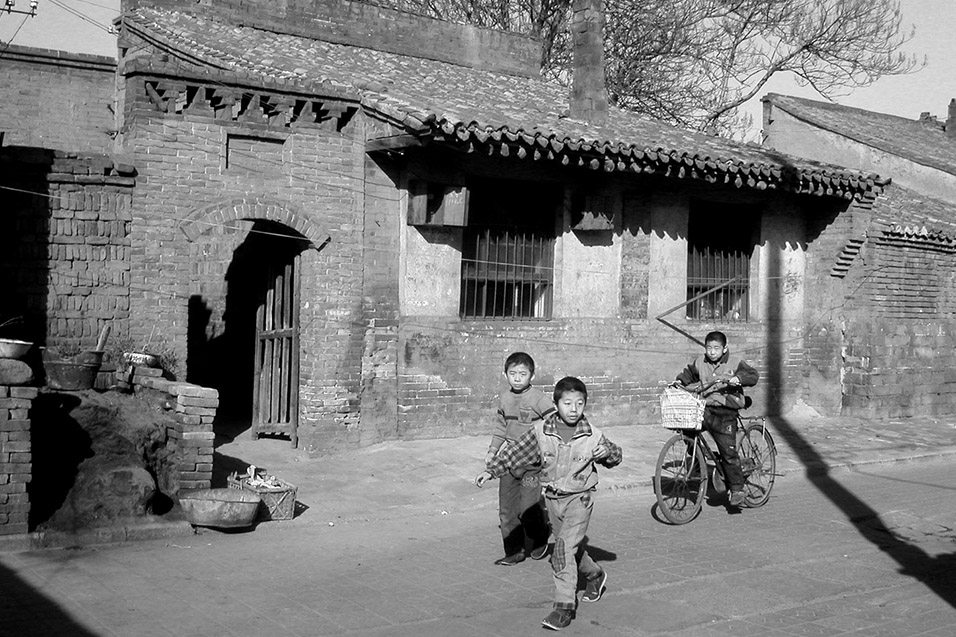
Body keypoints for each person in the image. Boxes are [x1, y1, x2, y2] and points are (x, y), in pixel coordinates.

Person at [476, 376, 622, 631]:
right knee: (568, 547)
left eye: (579, 403)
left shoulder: (592, 434)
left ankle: (564, 608)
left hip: (581, 498)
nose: (574, 409)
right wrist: (492, 471)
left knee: (562, 549)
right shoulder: (541, 431)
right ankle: (595, 575)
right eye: (567, 403)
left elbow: (616, 454)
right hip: (553, 498)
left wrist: (607, 453)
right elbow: (516, 452)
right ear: (557, 404)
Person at [485, 352, 555, 566]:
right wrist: (492, 451)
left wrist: (547, 449)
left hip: (531, 465)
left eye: (522, 374)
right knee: (506, 510)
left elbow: (552, 421)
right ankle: (513, 551)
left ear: (531, 376)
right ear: (505, 374)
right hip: (508, 462)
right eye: (512, 373)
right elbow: (500, 427)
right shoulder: (505, 399)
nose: (517, 378)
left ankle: (539, 537)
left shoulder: (538, 398)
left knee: (527, 508)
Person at [674, 330, 758, 507]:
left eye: (716, 348)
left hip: (726, 412)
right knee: (687, 429)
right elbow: (689, 374)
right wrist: (680, 382)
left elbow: (752, 375)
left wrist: (738, 378)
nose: (712, 352)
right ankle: (699, 461)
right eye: (709, 348)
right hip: (706, 408)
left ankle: (737, 489)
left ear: (725, 348)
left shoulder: (735, 363)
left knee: (728, 452)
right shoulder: (700, 361)